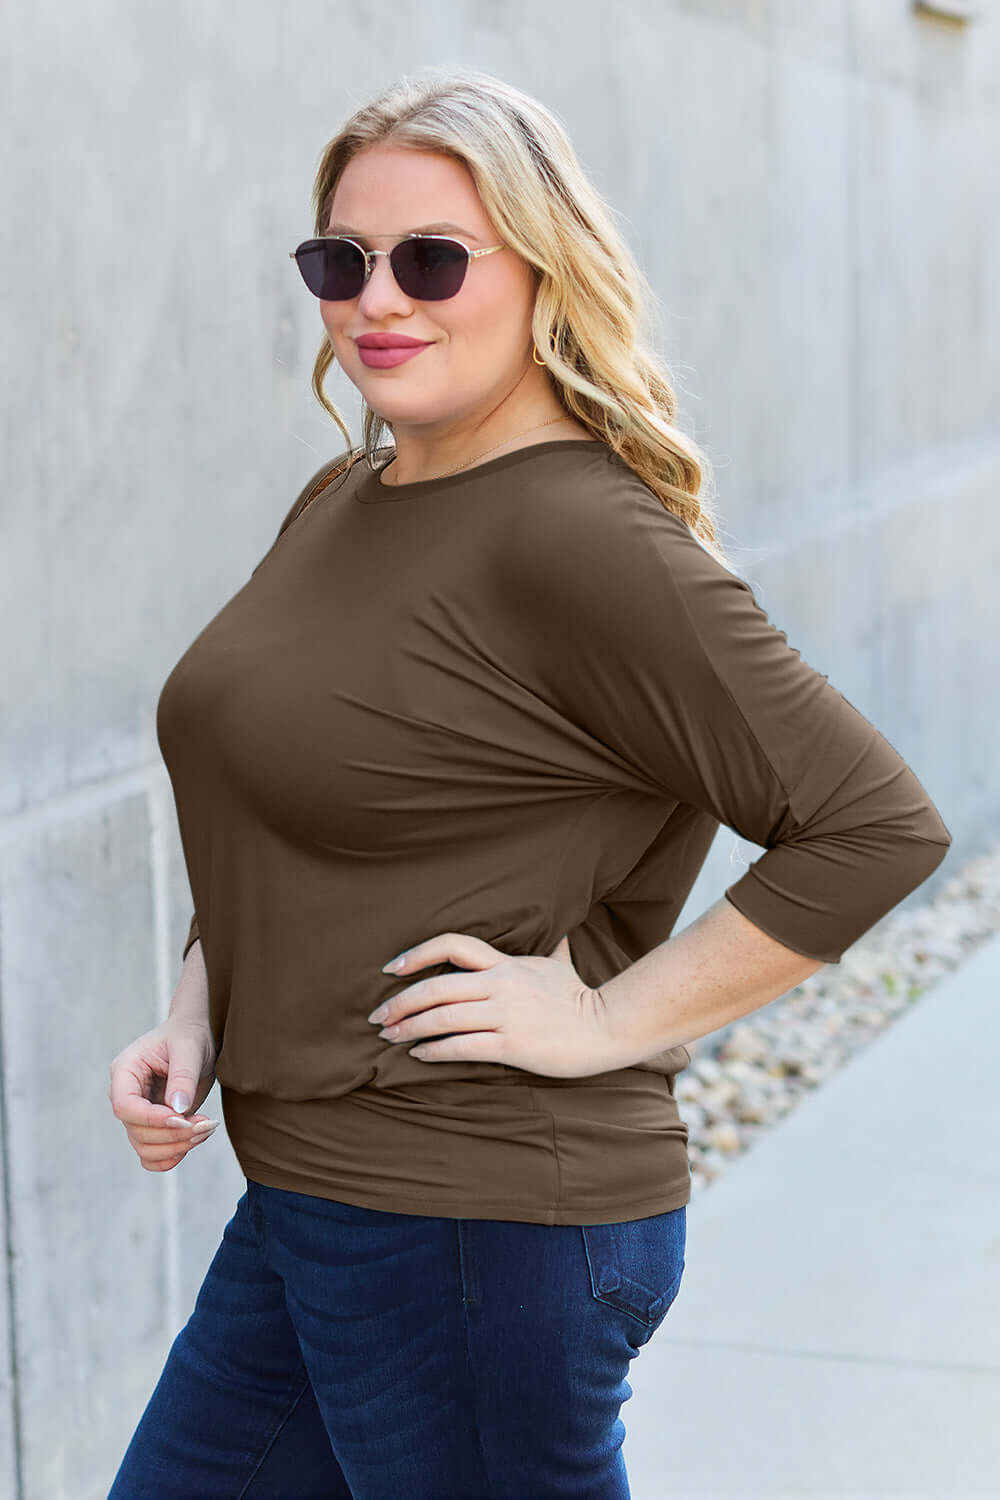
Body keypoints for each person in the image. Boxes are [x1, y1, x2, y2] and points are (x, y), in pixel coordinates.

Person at [107, 66, 951, 1500]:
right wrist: (201, 1001)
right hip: (319, 1192)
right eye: (341, 261)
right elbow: (291, 791)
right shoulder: (348, 498)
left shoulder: (582, 538)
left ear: (545, 271)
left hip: (477, 1223)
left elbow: (875, 825)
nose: (380, 299)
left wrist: (611, 1016)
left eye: (433, 258)